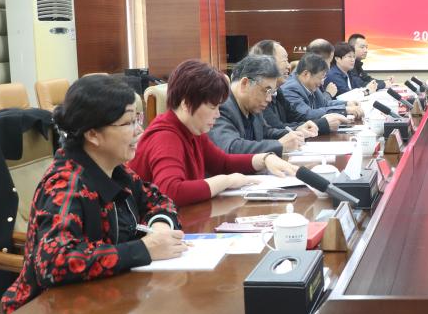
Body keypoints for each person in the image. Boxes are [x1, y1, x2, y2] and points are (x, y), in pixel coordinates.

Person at [2, 76, 188, 314]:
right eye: (128, 123)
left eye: (137, 119)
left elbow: (158, 199)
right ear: (93, 135)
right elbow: (54, 261)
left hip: (104, 303)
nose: (139, 130)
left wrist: (160, 227)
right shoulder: (65, 184)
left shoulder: (115, 170)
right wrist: (143, 249)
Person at [129, 59, 298, 206]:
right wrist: (227, 181)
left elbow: (222, 163)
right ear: (186, 104)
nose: (217, 114)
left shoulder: (192, 129)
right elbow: (171, 191)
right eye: (212, 107)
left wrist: (264, 159)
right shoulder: (165, 137)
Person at [209, 54, 314, 156]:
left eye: (272, 92)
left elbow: (266, 132)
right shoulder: (220, 107)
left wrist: (295, 132)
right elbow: (231, 147)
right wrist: (280, 145)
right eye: (266, 91)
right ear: (245, 84)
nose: (269, 99)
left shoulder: (251, 105)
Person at [249, 39, 344, 134]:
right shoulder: (262, 93)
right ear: (266, 63)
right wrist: (322, 124)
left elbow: (296, 117)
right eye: (285, 60)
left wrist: (327, 118)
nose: (289, 66)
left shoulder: (278, 91)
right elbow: (276, 129)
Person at [281, 53, 359, 123]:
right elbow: (306, 114)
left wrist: (346, 104)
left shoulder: (310, 84)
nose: (322, 83)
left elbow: (324, 103)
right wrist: (344, 110)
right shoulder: (290, 89)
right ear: (306, 74)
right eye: (320, 78)